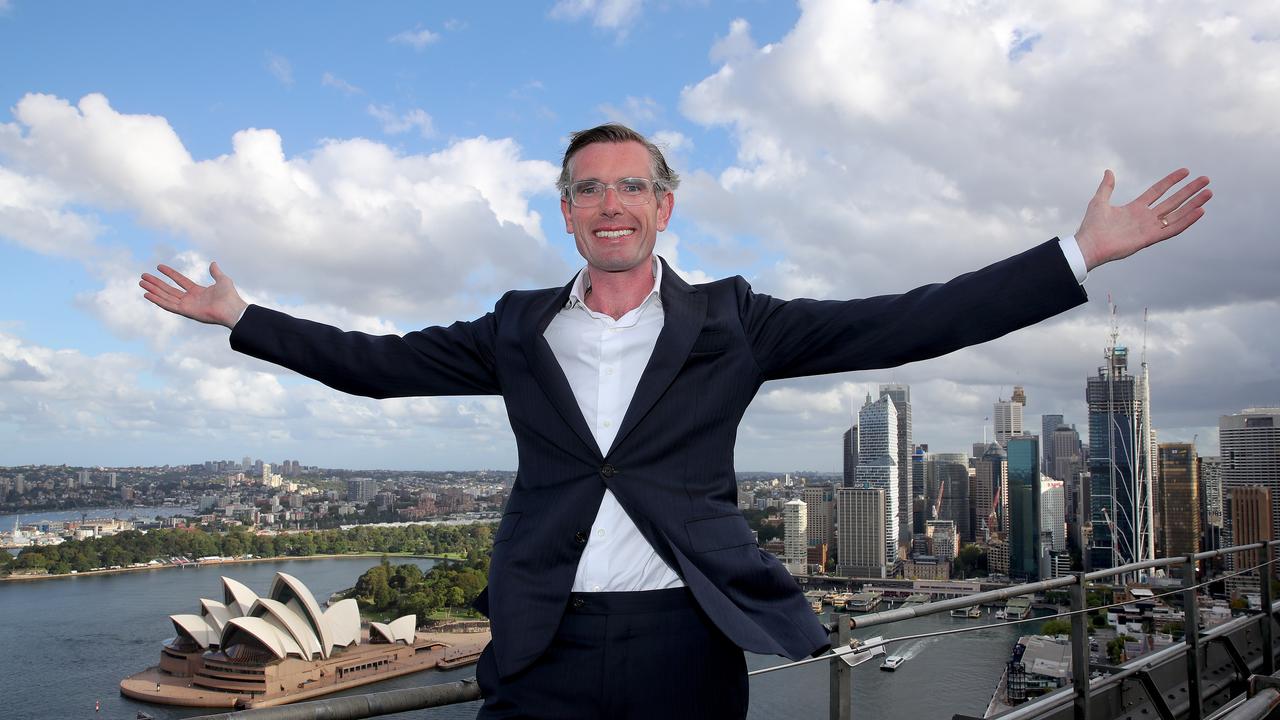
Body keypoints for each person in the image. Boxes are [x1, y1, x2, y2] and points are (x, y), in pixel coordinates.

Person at [140, 124, 1210, 719]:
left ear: (662, 206)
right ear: (564, 210)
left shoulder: (732, 322)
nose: (610, 203)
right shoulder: (515, 329)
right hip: (539, 637)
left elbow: (907, 320)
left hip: (680, 637)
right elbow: (373, 370)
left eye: (632, 186)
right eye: (588, 188)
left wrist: (1074, 259)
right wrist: (244, 317)